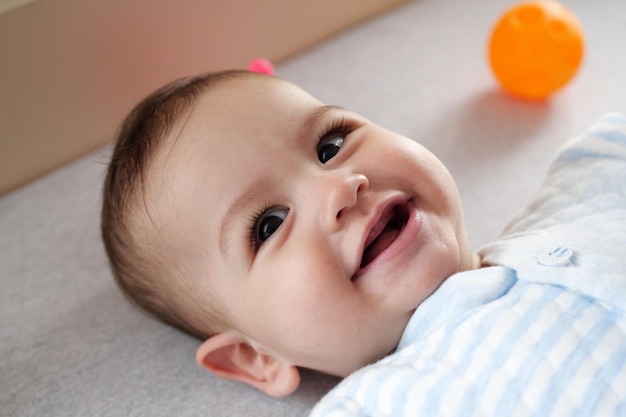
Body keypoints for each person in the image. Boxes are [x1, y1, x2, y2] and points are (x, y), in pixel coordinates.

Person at [101, 70, 626, 414]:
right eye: (269, 224)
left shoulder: (580, 190)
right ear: (253, 356)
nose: (339, 187)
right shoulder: (385, 401)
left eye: (331, 144)